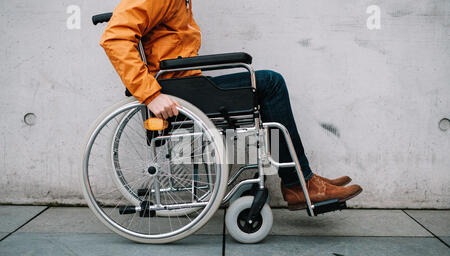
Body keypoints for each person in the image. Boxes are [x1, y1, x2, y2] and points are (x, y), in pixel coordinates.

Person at [99, 0, 362, 211]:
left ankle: (302, 179)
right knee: (271, 83)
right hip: (179, 93)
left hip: (187, 87)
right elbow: (115, 38)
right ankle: (299, 182)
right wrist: (151, 95)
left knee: (266, 84)